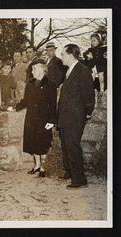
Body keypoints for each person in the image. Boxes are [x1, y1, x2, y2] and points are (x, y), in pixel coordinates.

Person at [58, 44, 95, 190]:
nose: (61, 57)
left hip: (75, 117)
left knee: (72, 147)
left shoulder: (82, 71)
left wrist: (87, 112)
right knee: (66, 146)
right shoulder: (69, 70)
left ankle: (79, 179)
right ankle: (69, 171)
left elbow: (88, 94)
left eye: (62, 54)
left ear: (70, 55)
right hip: (66, 117)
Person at [15, 59, 57, 178]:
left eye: (34, 69)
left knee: (43, 143)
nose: (32, 71)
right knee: (33, 142)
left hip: (44, 119)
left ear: (43, 69)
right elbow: (26, 101)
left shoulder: (50, 84)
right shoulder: (30, 84)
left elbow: (53, 105)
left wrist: (52, 121)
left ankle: (43, 167)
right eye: (32, 69)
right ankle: (37, 165)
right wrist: (17, 106)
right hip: (31, 118)